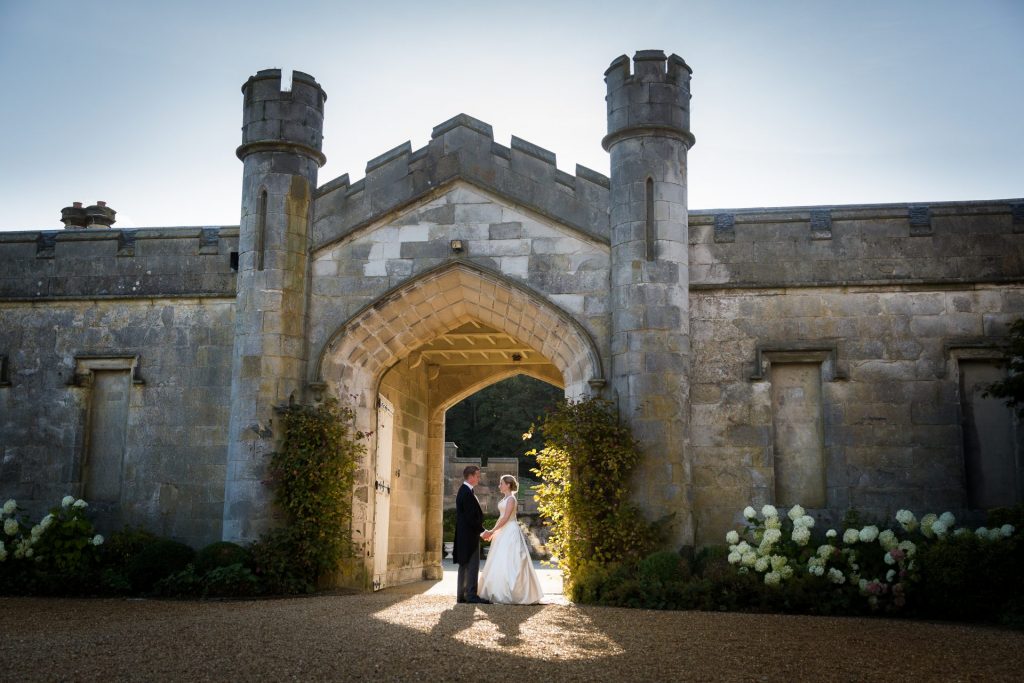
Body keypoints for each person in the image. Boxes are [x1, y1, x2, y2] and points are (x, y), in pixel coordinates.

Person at [478, 474, 544, 605]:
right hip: (503, 530)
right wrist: (494, 532)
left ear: (508, 485)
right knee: (499, 558)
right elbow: (501, 518)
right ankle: (496, 590)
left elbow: (506, 518)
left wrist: (492, 531)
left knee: (510, 558)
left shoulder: (511, 499)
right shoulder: (505, 499)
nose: (499, 486)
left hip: (510, 531)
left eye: (501, 483)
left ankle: (512, 592)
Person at [454, 465, 489, 604]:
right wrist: (482, 531)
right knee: (472, 565)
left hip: (465, 535)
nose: (479, 478)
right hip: (469, 535)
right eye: (478, 476)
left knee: (464, 564)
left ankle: (462, 595)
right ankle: (471, 595)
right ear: (471, 476)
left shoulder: (465, 491)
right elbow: (470, 517)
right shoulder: (466, 492)